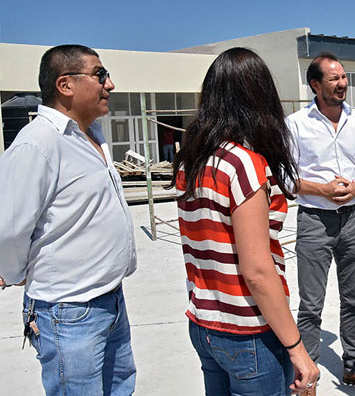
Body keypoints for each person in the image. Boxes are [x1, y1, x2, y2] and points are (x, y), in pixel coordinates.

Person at [171, 47, 318, 395]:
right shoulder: (243, 165)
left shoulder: (191, 160)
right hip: (248, 331)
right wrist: (297, 349)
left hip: (205, 323)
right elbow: (257, 270)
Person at [0, 44, 138, 395]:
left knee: (120, 388)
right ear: (65, 85)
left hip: (110, 298)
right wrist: (15, 273)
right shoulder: (38, 144)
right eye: (100, 75)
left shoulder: (92, 135)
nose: (111, 84)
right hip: (69, 310)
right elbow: (9, 228)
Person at [286, 52, 355, 395]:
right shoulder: (295, 125)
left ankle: (353, 366)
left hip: (354, 219)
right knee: (311, 305)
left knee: (354, 299)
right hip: (314, 220)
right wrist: (324, 191)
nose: (343, 83)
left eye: (343, 77)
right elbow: (285, 180)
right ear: (315, 85)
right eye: (334, 79)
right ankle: (307, 377)